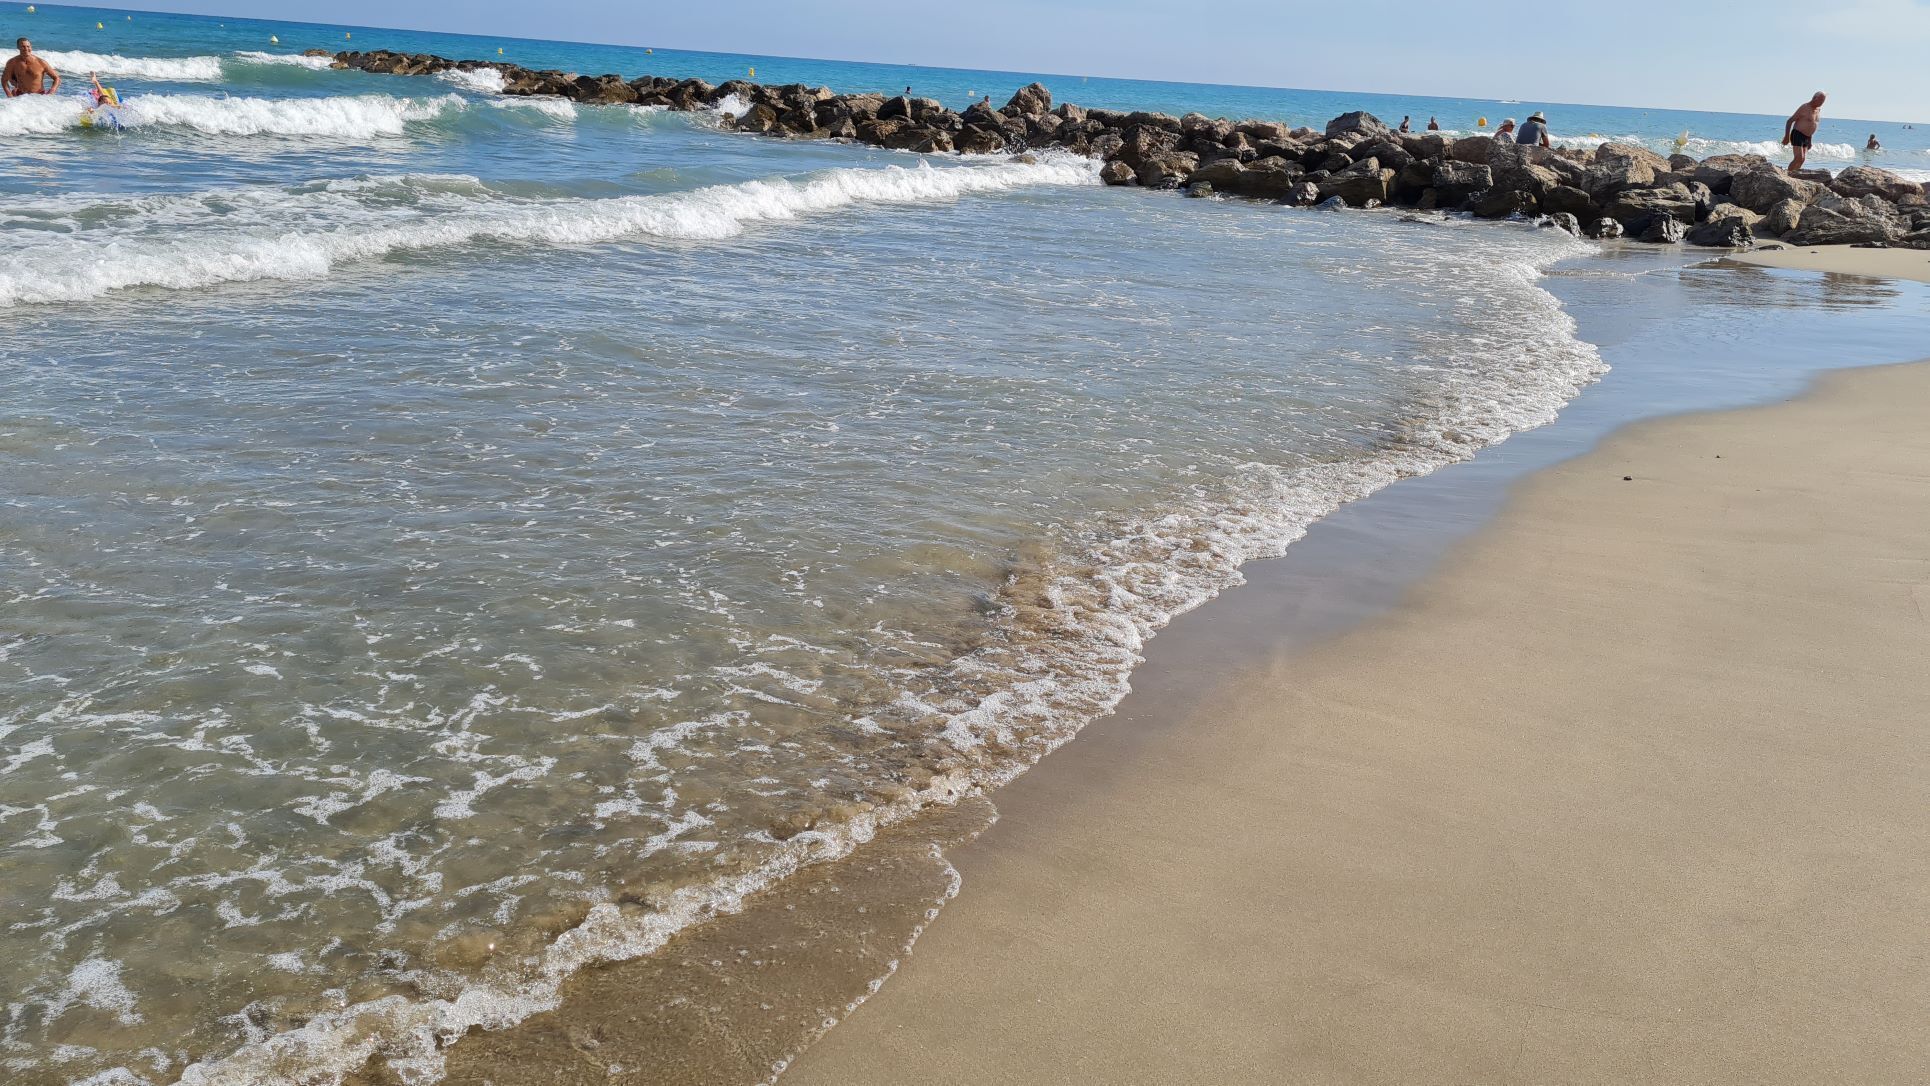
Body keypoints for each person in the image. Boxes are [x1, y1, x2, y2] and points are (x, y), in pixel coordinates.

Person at [1782, 91, 1825, 175]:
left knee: (1802, 159)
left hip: (1807, 137)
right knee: (1798, 157)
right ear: (1814, 98)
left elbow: (1812, 125)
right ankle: (1787, 174)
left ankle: (1794, 175)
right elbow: (1789, 121)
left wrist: (1810, 140)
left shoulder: (1818, 110)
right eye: (1821, 100)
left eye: (1823, 101)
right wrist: (1787, 136)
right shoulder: (1804, 107)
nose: (1822, 103)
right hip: (1798, 134)